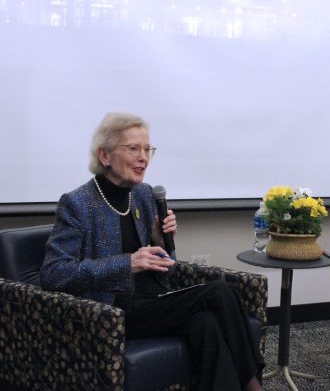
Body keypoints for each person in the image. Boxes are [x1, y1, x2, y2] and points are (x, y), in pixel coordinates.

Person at [40, 112, 264, 391]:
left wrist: (158, 241)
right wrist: (126, 263)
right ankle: (255, 386)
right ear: (105, 156)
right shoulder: (78, 204)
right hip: (110, 314)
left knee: (205, 324)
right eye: (133, 148)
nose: (143, 158)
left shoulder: (144, 195)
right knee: (219, 291)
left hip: (152, 302)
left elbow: (164, 270)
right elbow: (54, 273)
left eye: (148, 149)